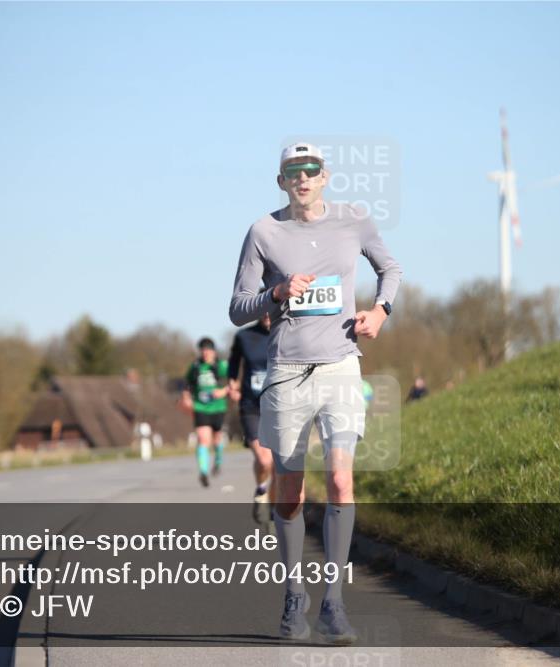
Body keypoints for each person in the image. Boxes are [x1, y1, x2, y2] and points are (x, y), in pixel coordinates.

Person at [229, 142, 402, 644]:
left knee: (342, 482)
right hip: (286, 371)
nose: (302, 178)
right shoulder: (263, 231)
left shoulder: (354, 220)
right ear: (281, 181)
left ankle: (334, 603)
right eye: (292, 172)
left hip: (341, 367)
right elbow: (238, 307)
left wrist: (381, 311)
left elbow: (390, 269)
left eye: (310, 170)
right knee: (290, 491)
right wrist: (276, 293)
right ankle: (293, 595)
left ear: (325, 176)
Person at [227, 310, 275, 525]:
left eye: (270, 311)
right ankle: (261, 490)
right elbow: (233, 362)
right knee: (264, 459)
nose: (267, 315)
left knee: (276, 464)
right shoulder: (244, 336)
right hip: (251, 406)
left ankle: (273, 510)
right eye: (263, 311)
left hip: (278, 406)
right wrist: (231, 381)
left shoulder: (286, 332)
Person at [180, 337, 229, 487]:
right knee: (203, 439)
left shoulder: (221, 366)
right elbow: (186, 385)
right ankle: (203, 471)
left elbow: (235, 381)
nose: (206, 353)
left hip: (218, 407)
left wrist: (223, 391)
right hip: (200, 407)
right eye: (203, 350)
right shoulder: (195, 367)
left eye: (208, 350)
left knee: (217, 438)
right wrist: (186, 397)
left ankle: (218, 460)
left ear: (214, 351)